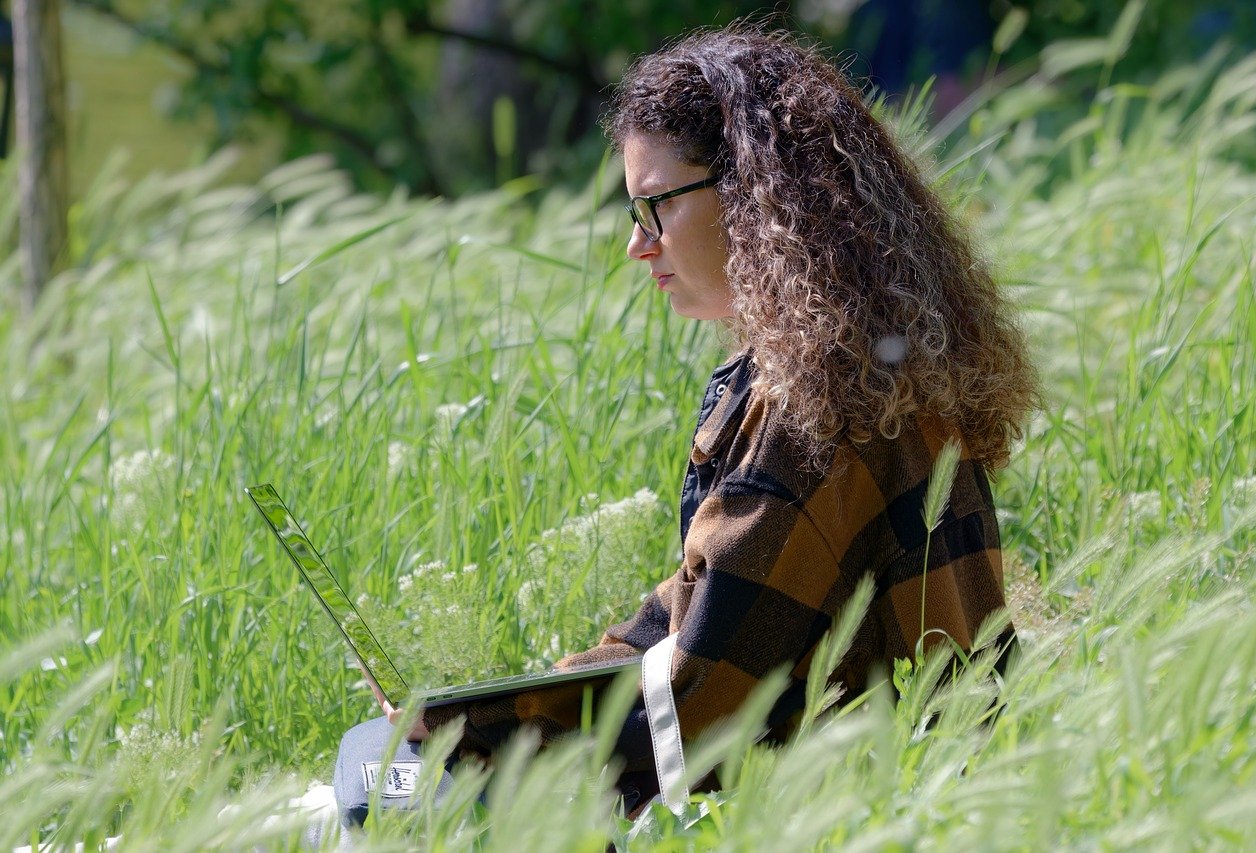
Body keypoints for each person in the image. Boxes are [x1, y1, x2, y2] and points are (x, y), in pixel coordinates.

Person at [336, 25, 1037, 824]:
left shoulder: (819, 417)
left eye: (656, 206)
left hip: (830, 814)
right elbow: (694, 611)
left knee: (363, 798)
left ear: (755, 194)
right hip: (846, 793)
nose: (636, 245)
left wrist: (473, 729)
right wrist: (499, 700)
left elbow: (700, 705)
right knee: (368, 777)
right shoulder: (821, 373)